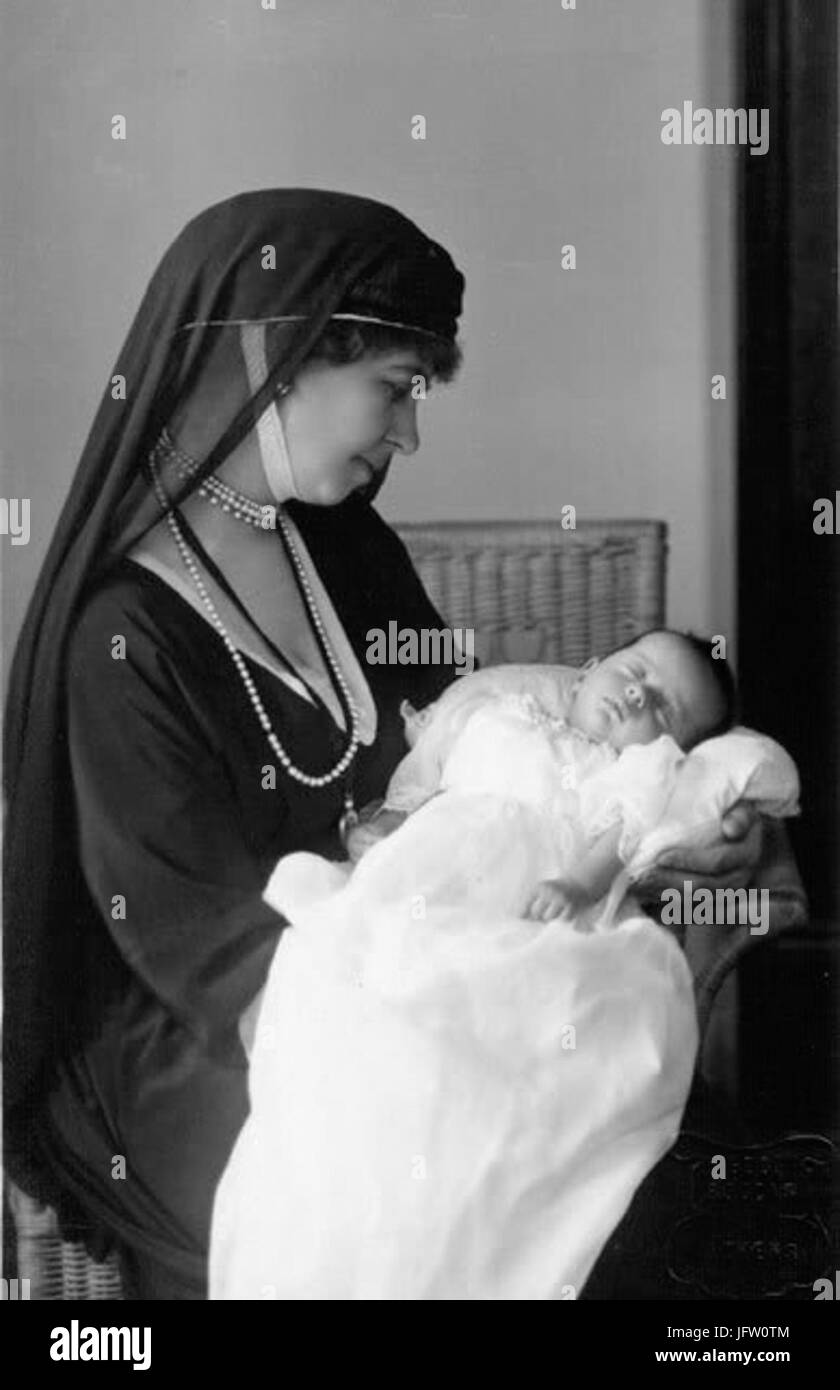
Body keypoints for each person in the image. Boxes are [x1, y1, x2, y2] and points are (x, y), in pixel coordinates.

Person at [3, 189, 762, 1301]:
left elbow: (482, 769)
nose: (409, 432)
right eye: (395, 390)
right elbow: (199, 949)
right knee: (494, 1196)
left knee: (692, 1173)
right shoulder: (124, 638)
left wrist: (668, 836)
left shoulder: (346, 553)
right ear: (276, 355)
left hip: (416, 960)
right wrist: (453, 1028)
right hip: (220, 1028)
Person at [210, 636, 798, 1301]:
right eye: (635, 673)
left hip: (528, 896)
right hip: (429, 875)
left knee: (499, 1010)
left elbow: (624, 832)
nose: (638, 694)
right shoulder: (503, 709)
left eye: (661, 709)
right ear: (586, 671)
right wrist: (391, 818)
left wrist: (579, 883)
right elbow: (427, 773)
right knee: (348, 965)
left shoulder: (626, 769)